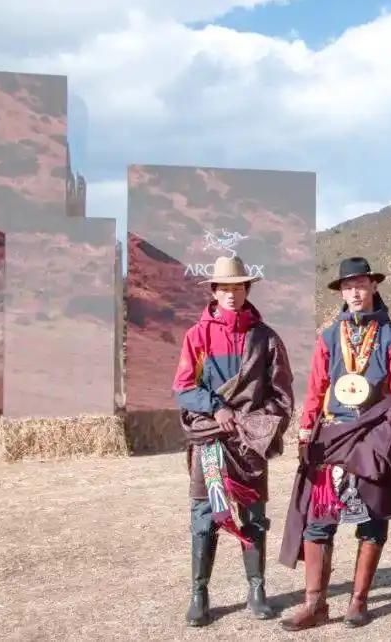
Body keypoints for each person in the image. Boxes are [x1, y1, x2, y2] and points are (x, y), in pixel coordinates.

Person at [280, 256, 391, 631]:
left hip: (373, 437)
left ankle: (358, 602)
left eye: (360, 285)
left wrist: (388, 437)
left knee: (372, 520)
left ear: (373, 286)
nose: (354, 292)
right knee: (319, 520)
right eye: (348, 287)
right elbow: (317, 385)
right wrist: (306, 430)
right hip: (333, 435)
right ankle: (315, 604)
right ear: (341, 292)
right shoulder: (329, 337)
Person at [173, 255, 295, 627]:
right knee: (205, 517)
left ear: (247, 290)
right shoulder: (198, 336)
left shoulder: (266, 338)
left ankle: (257, 589)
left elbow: (281, 394)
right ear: (213, 290)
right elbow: (184, 388)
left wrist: (256, 424)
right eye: (224, 287)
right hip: (211, 441)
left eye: (238, 287)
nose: (231, 294)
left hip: (248, 443)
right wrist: (217, 409)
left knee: (254, 515)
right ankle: (199, 594)